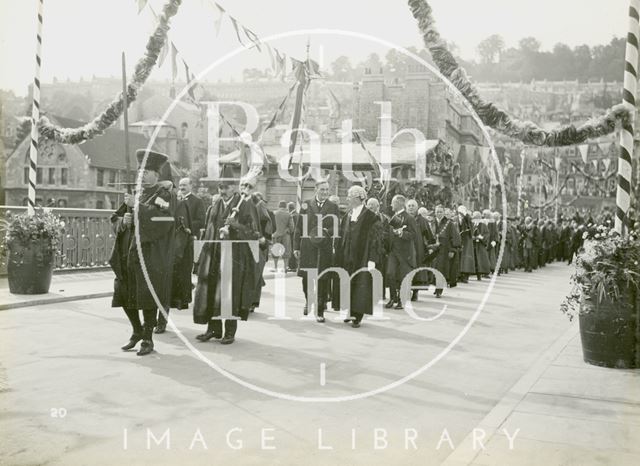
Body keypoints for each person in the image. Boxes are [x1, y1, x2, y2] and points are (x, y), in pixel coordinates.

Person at [109, 149, 176, 356]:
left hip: (150, 254)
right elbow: (115, 219)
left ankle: (147, 338)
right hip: (128, 253)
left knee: (148, 296)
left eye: (147, 171)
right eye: (140, 171)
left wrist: (136, 208)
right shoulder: (135, 194)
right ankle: (136, 331)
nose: (143, 175)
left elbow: (164, 220)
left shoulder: (163, 195)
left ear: (157, 175)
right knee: (123, 291)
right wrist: (123, 221)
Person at [192, 176, 261, 345]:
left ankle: (230, 331)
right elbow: (208, 229)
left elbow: (255, 233)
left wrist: (236, 225)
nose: (222, 191)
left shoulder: (245, 205)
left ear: (234, 188)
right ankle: (213, 329)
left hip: (233, 255)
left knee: (229, 292)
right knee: (211, 291)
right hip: (214, 253)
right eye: (220, 188)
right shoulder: (216, 204)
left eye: (226, 188)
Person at [156, 177, 205, 334]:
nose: (181, 188)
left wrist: (189, 229)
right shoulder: (159, 203)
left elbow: (197, 222)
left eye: (184, 185)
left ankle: (161, 321)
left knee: (167, 287)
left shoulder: (189, 202)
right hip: (160, 249)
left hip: (180, 247)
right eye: (180, 185)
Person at [336, 186, 383, 328]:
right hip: (348, 255)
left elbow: (376, 240)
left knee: (361, 285)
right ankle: (350, 311)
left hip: (363, 256)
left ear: (357, 198)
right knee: (348, 282)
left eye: (350, 196)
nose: (348, 199)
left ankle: (358, 315)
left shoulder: (371, 217)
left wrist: (372, 259)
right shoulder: (348, 215)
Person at [293, 180, 340, 322]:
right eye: (322, 190)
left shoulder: (333, 206)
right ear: (316, 189)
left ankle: (320, 311)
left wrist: (327, 231)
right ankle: (308, 301)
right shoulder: (306, 204)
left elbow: (336, 226)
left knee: (322, 279)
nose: (325, 192)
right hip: (308, 246)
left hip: (323, 247)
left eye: (327, 190)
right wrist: (296, 247)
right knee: (307, 277)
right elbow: (298, 227)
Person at [385, 195, 417, 309]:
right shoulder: (394, 216)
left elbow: (414, 235)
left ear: (399, 203)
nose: (391, 205)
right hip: (393, 251)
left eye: (393, 203)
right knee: (390, 274)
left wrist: (401, 233)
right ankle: (393, 298)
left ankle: (401, 300)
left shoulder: (409, 218)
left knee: (403, 277)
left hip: (405, 253)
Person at [249, 191, 272, 312]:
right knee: (255, 275)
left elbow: (267, 226)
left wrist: (264, 239)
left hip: (259, 245)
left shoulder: (259, 207)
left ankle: (251, 303)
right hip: (258, 245)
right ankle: (252, 303)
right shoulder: (261, 209)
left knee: (255, 274)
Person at [430, 205, 457, 297]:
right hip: (434, 250)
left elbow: (454, 237)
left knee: (441, 269)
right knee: (434, 268)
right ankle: (436, 287)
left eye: (440, 212)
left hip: (444, 250)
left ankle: (439, 289)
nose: (439, 213)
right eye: (437, 212)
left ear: (443, 213)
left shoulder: (449, 223)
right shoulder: (432, 222)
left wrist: (452, 250)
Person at [406, 199, 428, 301]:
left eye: (413, 206)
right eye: (409, 205)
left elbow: (428, 235)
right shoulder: (403, 217)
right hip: (406, 248)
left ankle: (415, 293)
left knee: (417, 271)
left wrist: (428, 247)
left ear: (417, 208)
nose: (411, 207)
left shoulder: (422, 220)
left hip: (418, 249)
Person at [272, 200, 294, 272]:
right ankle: (285, 267)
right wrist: (288, 230)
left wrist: (273, 232)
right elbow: (292, 226)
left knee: (275, 251)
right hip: (285, 235)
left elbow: (271, 225)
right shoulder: (289, 214)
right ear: (285, 206)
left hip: (276, 235)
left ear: (279, 206)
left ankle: (275, 267)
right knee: (286, 252)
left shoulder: (275, 213)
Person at [457, 205, 475, 283]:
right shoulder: (456, 219)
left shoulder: (468, 219)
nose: (461, 214)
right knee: (459, 258)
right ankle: (458, 275)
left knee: (466, 259)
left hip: (466, 240)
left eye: (462, 213)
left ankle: (465, 276)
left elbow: (471, 229)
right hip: (459, 240)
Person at [471, 211, 491, 280]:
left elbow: (487, 234)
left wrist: (481, 237)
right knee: (473, 260)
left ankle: (479, 275)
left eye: (477, 218)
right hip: (473, 244)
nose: (475, 219)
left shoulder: (483, 225)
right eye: (474, 217)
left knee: (480, 260)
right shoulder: (471, 224)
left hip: (480, 245)